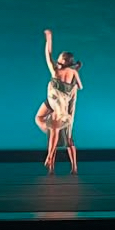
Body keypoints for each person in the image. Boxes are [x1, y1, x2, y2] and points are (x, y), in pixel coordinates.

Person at [34, 29, 82, 173]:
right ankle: (72, 167)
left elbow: (48, 55)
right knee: (40, 119)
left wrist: (48, 39)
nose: (57, 60)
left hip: (59, 104)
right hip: (55, 102)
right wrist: (76, 70)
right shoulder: (72, 72)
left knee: (58, 132)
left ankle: (51, 160)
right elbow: (79, 86)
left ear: (63, 61)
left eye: (60, 58)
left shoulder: (55, 70)